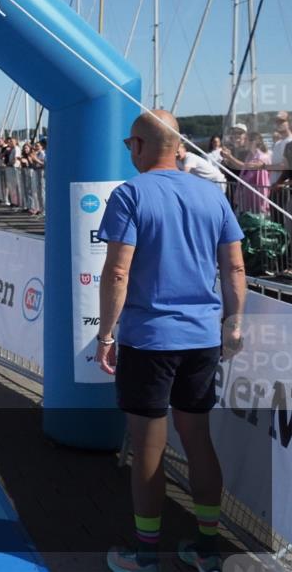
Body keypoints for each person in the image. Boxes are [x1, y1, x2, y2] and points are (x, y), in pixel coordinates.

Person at [96, 110, 244, 572]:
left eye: (128, 145)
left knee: (149, 448)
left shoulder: (130, 194)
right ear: (178, 147)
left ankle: (145, 553)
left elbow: (118, 271)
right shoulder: (211, 195)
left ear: (140, 146)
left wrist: (105, 333)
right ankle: (206, 547)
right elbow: (235, 268)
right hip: (202, 337)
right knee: (197, 440)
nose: (128, 153)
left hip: (150, 339)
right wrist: (233, 323)